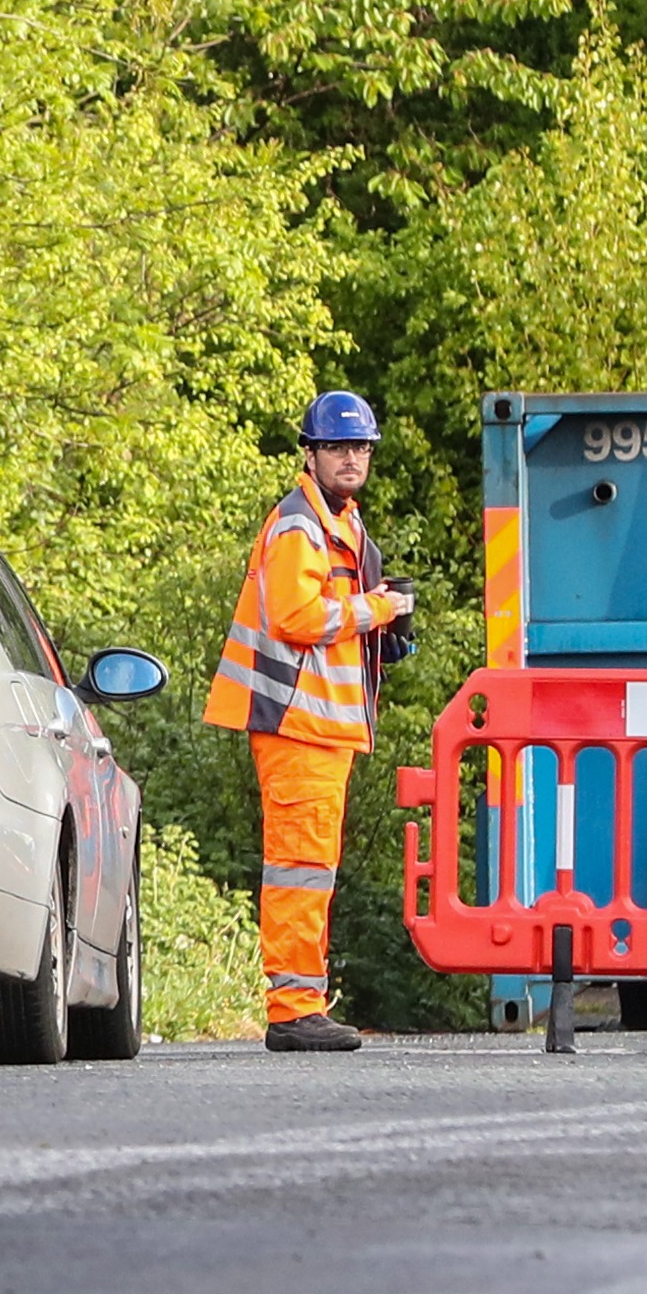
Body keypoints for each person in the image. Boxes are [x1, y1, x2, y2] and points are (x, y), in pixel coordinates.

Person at [205, 391, 416, 1053]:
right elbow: (297, 617)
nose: (350, 458)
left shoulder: (340, 525)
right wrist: (377, 611)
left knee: (311, 868)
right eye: (336, 447)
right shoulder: (299, 525)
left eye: (359, 448)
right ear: (311, 453)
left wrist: (388, 632)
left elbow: (335, 623)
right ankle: (294, 1007)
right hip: (297, 726)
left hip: (321, 730)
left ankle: (303, 1002)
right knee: (298, 866)